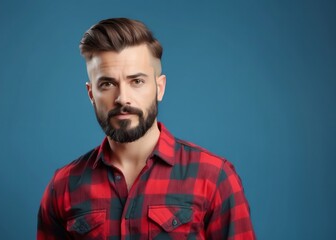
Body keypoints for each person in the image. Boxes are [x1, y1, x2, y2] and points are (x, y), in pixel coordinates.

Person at [37, 18, 256, 240]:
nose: (123, 98)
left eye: (137, 81)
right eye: (107, 84)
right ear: (91, 94)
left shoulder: (214, 178)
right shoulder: (63, 187)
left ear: (159, 88)